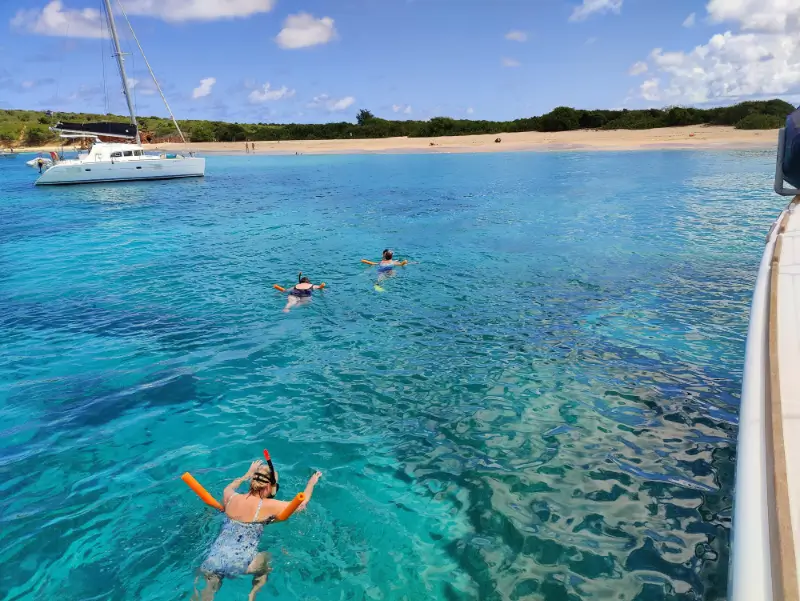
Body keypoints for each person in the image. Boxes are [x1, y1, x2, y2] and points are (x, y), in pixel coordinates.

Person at [195, 459, 322, 601]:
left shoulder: (229, 496)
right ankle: (252, 594)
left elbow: (232, 485)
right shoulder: (270, 505)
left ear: (252, 480)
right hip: (241, 564)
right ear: (269, 486)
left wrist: (247, 474)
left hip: (213, 560)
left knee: (207, 592)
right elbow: (302, 503)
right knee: (268, 557)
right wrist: (311, 483)